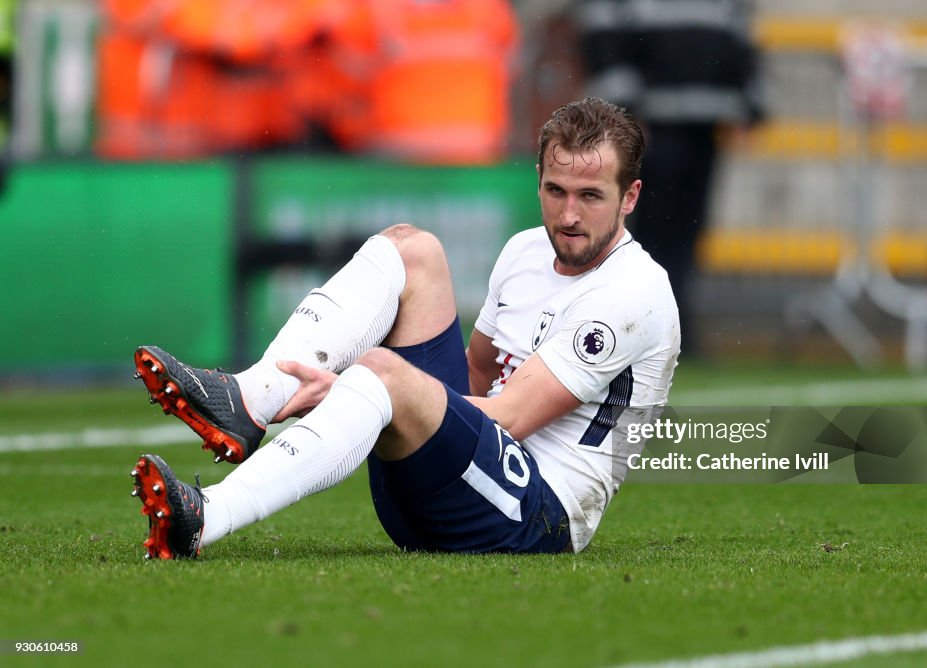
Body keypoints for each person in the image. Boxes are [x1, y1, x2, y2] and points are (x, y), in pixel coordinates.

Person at [128, 97, 680, 558]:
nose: (567, 216)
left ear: (629, 196)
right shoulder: (524, 251)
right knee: (411, 250)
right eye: (555, 191)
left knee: (382, 373)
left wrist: (370, 390)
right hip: (456, 482)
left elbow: (509, 417)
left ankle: (205, 517)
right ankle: (250, 398)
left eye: (590, 196)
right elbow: (473, 381)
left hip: (535, 517)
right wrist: (373, 400)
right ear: (538, 178)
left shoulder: (632, 293)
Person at [576, 0, 764, 355]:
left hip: (708, 121)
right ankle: (639, 331)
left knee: (688, 228)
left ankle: (675, 330)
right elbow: (603, 31)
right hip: (652, 123)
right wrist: (625, 111)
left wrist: (750, 101)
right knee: (650, 232)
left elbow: (740, 32)